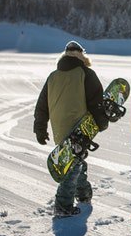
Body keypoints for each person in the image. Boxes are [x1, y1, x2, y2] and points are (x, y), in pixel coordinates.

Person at [33, 41, 109, 217]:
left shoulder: (53, 76)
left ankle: (83, 194)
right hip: (79, 128)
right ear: (82, 56)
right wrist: (102, 122)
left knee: (75, 160)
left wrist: (40, 128)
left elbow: (41, 106)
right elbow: (96, 103)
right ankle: (63, 205)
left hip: (59, 128)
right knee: (73, 166)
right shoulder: (86, 73)